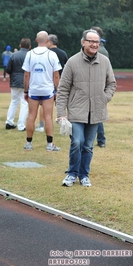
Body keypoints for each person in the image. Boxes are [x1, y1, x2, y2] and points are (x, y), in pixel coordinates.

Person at [56, 29, 116, 187]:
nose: (95, 44)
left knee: (88, 146)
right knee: (77, 141)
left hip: (96, 110)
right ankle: (71, 173)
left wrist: (105, 98)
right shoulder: (72, 62)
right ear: (83, 42)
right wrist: (61, 113)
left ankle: (84, 175)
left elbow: (111, 83)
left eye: (97, 42)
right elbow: (63, 89)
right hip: (77, 110)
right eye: (91, 41)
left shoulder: (104, 61)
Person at [22, 31, 62, 151]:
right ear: (48, 41)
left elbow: (26, 74)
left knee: (31, 115)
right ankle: (50, 144)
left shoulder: (29, 54)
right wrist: (57, 90)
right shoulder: (52, 55)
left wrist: (25, 90)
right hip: (47, 90)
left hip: (33, 90)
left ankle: (28, 143)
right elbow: (56, 75)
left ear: (36, 40)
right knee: (48, 116)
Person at [36, 34, 69, 133]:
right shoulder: (63, 53)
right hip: (62, 81)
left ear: (49, 42)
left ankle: (42, 125)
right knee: (62, 104)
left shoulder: (47, 53)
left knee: (44, 105)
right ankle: (64, 124)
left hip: (48, 82)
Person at [5, 38, 31, 131]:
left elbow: (8, 69)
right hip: (26, 82)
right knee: (24, 103)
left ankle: (9, 122)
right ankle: (21, 125)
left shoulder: (13, 55)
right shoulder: (31, 55)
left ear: (20, 45)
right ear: (29, 46)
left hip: (14, 81)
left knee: (13, 102)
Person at [91, 26, 109, 148]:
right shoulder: (104, 50)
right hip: (99, 84)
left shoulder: (98, 51)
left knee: (95, 113)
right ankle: (101, 139)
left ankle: (100, 139)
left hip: (95, 84)